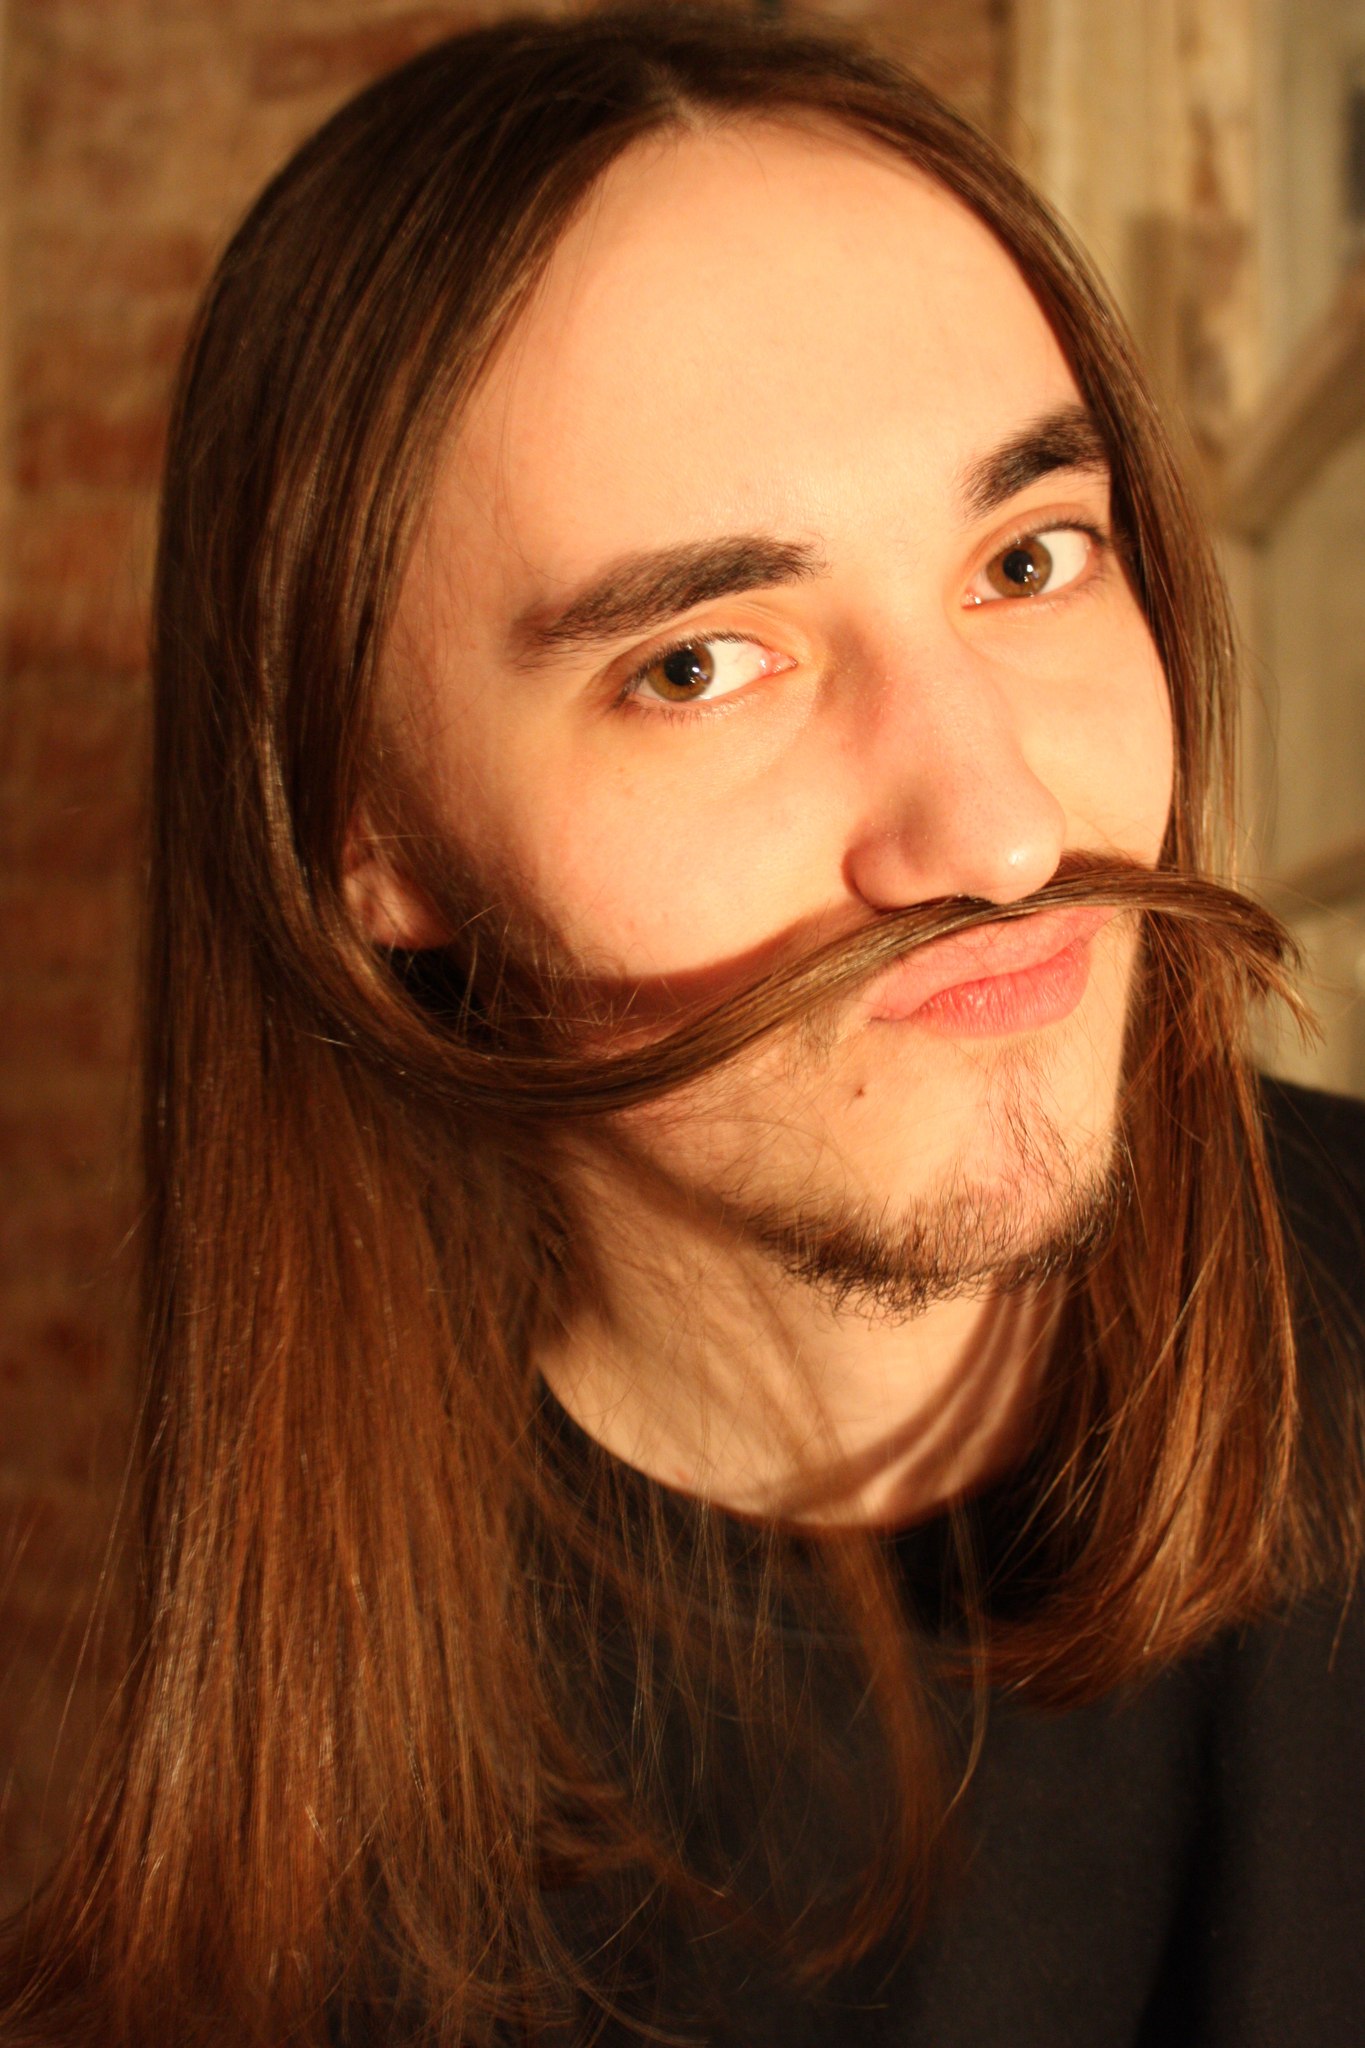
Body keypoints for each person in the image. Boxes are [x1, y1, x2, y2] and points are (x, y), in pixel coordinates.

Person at [4, 7, 1364, 2043]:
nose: (1000, 832)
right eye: (700, 664)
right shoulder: (316, 1936)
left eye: (1026, 558)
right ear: (374, 841)